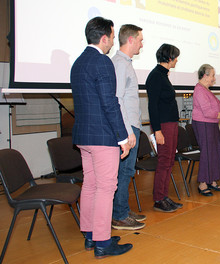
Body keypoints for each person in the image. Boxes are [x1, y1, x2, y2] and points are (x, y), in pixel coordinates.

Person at [70, 17, 132, 258]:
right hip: (103, 137)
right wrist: (122, 136)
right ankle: (103, 243)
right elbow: (110, 102)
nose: (113, 42)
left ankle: (90, 234)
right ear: (104, 38)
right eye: (113, 37)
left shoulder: (78, 62)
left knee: (91, 185)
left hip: (83, 136)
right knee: (106, 188)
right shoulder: (103, 62)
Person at [111, 24, 145, 231]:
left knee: (127, 171)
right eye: (140, 39)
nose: (142, 43)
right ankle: (119, 216)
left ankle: (122, 209)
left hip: (132, 124)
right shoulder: (120, 64)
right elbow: (118, 98)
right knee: (124, 172)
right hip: (127, 126)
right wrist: (128, 131)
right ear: (130, 39)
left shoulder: (125, 63)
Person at [146, 43, 183, 212]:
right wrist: (157, 130)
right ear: (169, 58)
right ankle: (159, 199)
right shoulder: (155, 76)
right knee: (163, 162)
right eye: (175, 57)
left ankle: (164, 196)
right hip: (163, 126)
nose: (177, 60)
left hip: (171, 124)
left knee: (169, 161)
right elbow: (152, 106)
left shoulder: (163, 75)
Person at [192, 64, 220, 196]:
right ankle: (202, 183)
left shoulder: (205, 89)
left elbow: (213, 111)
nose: (214, 78)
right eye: (212, 75)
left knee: (214, 152)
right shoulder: (199, 90)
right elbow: (207, 112)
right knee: (207, 153)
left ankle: (211, 180)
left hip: (211, 124)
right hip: (203, 124)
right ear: (205, 76)